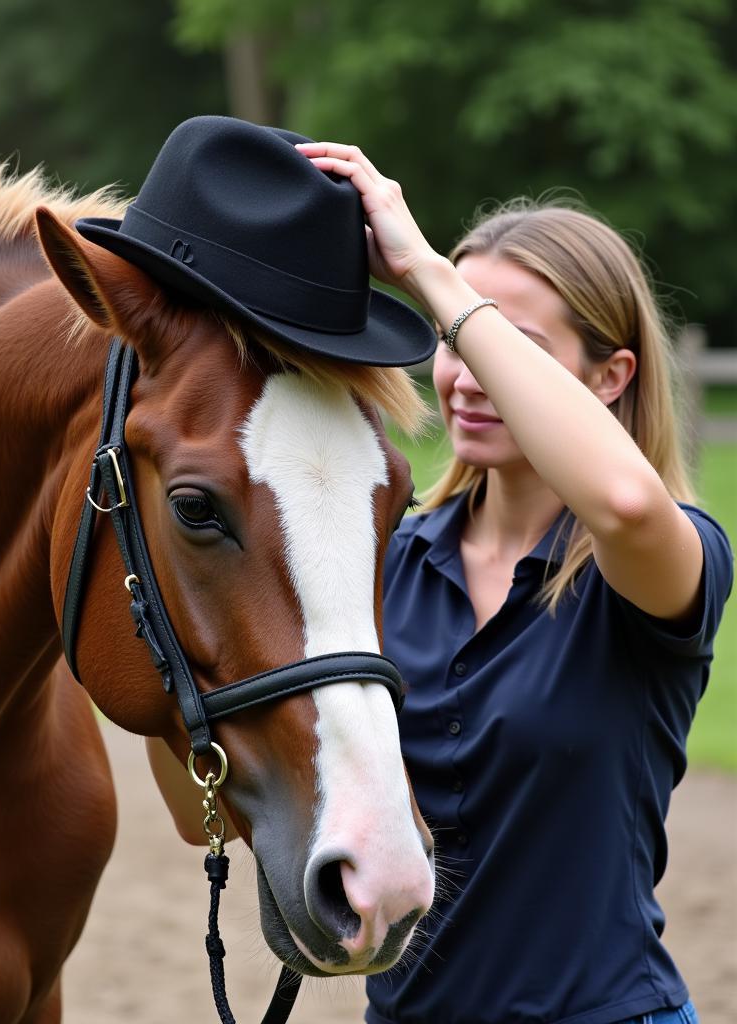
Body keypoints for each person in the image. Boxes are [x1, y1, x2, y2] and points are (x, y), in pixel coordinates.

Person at [290, 140, 733, 1024]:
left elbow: (619, 498)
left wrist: (425, 272)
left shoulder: (667, 557)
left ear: (611, 378)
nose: (464, 375)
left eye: (504, 342)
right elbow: (230, 804)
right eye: (454, 344)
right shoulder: (390, 564)